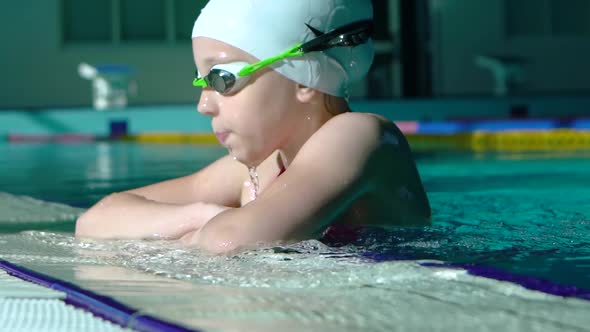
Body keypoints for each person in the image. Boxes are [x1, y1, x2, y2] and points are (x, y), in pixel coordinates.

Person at [75, 0, 431, 253]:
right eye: (202, 82)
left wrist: (223, 225)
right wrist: (203, 214)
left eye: (222, 79)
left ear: (306, 75)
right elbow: (95, 221)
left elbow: (231, 240)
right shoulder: (256, 169)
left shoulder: (359, 136)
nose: (203, 105)